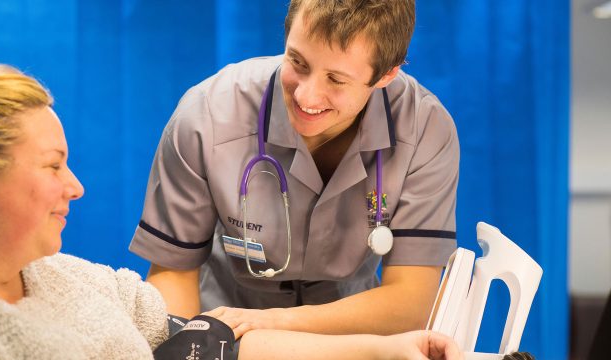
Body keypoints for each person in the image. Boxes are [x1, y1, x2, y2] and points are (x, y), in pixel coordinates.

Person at [0, 64, 463, 359]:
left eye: (338, 78)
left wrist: (384, 350)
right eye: (53, 166)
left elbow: (211, 343)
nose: (76, 187)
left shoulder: (77, 281)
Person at [130, 0, 460, 338]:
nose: (306, 95)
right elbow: (172, 274)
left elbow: (411, 302)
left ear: (387, 73)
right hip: (223, 334)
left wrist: (269, 324)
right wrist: (191, 348)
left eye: (336, 79)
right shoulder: (207, 116)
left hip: (354, 339)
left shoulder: (424, 129)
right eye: (297, 62)